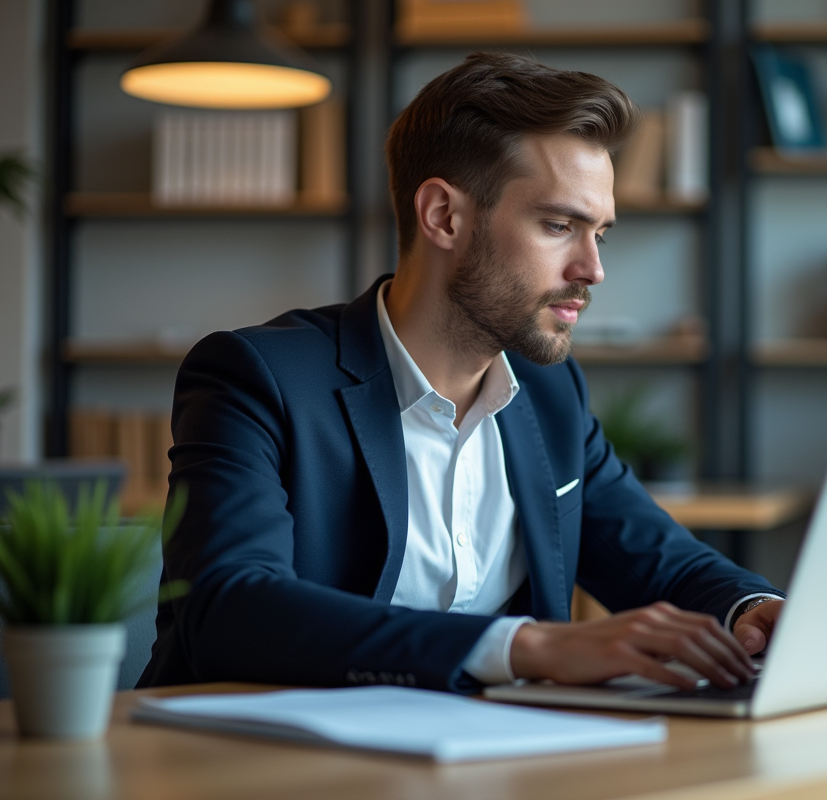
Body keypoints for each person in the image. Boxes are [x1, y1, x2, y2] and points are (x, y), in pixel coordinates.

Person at [140, 52, 785, 695]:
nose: (592, 270)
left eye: (600, 235)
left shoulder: (550, 392)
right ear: (444, 216)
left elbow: (659, 561)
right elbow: (229, 609)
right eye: (560, 225)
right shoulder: (258, 377)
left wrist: (753, 611)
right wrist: (525, 647)